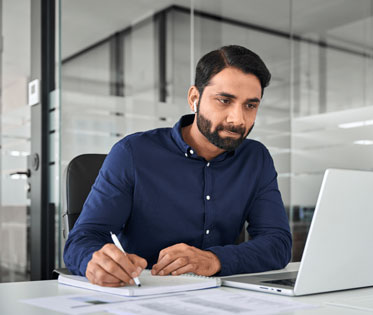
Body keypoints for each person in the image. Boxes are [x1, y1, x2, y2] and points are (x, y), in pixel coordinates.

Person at [63, 45, 292, 287]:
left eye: (250, 105)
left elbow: (277, 243)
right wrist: (94, 261)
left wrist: (214, 260)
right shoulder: (132, 154)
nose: (238, 119)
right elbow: (83, 239)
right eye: (224, 100)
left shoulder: (256, 158)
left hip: (223, 296)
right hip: (144, 294)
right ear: (194, 98)